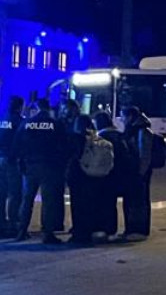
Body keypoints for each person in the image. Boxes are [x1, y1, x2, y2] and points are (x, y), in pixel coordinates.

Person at [15, 97, 67, 244]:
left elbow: (18, 144)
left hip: (30, 166)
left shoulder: (27, 123)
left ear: (36, 108)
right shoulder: (55, 124)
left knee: (27, 200)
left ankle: (21, 231)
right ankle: (48, 233)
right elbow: (63, 145)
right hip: (49, 167)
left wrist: (21, 162)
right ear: (48, 108)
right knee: (48, 201)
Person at [67, 114, 113, 245]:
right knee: (92, 205)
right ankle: (93, 230)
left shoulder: (75, 138)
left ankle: (80, 234)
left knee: (78, 207)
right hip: (95, 177)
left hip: (78, 177)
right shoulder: (97, 138)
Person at [120, 106, 159, 240]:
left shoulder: (142, 131)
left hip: (139, 172)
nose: (122, 120)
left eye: (123, 117)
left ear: (130, 117)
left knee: (139, 201)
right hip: (133, 171)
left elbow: (144, 155)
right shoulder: (134, 130)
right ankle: (131, 229)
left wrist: (140, 173)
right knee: (132, 201)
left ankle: (139, 230)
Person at [100, 110, 138, 243]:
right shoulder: (121, 135)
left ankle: (109, 229)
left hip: (107, 174)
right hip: (123, 174)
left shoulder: (102, 137)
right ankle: (119, 230)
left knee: (107, 204)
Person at [0, 97, 24, 236]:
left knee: (1, 193)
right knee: (14, 194)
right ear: (19, 107)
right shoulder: (19, 121)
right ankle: (12, 224)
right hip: (11, 160)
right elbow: (21, 141)